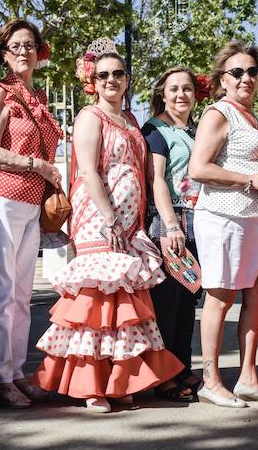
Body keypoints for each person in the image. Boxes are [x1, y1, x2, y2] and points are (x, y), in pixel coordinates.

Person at [31, 39, 183, 413]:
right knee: (97, 302)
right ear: (93, 81)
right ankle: (91, 386)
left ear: (127, 79)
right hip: (100, 218)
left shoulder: (131, 120)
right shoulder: (89, 116)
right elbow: (87, 170)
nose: (111, 80)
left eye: (117, 74)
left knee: (124, 302)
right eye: (103, 75)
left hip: (130, 223)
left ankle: (119, 381)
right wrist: (109, 216)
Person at [0, 19, 63, 409]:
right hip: (4, 196)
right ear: (3, 53)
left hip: (33, 203)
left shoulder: (39, 98)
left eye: (29, 45)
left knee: (25, 293)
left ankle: (14, 371)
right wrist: (36, 165)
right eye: (15, 46)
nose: (23, 52)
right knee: (3, 290)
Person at [188, 41, 258, 408]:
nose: (246, 78)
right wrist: (249, 179)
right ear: (221, 79)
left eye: (252, 71)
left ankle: (248, 378)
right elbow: (199, 169)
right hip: (222, 217)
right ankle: (211, 380)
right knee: (221, 296)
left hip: (254, 220)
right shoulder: (218, 113)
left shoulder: (255, 118)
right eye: (237, 72)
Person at [142, 66, 208, 401]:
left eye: (187, 89)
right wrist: (169, 225)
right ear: (162, 94)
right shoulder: (156, 130)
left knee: (186, 304)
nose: (180, 94)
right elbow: (156, 180)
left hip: (200, 222)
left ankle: (182, 369)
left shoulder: (198, 131)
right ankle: (163, 378)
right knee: (166, 304)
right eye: (173, 89)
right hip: (171, 224)